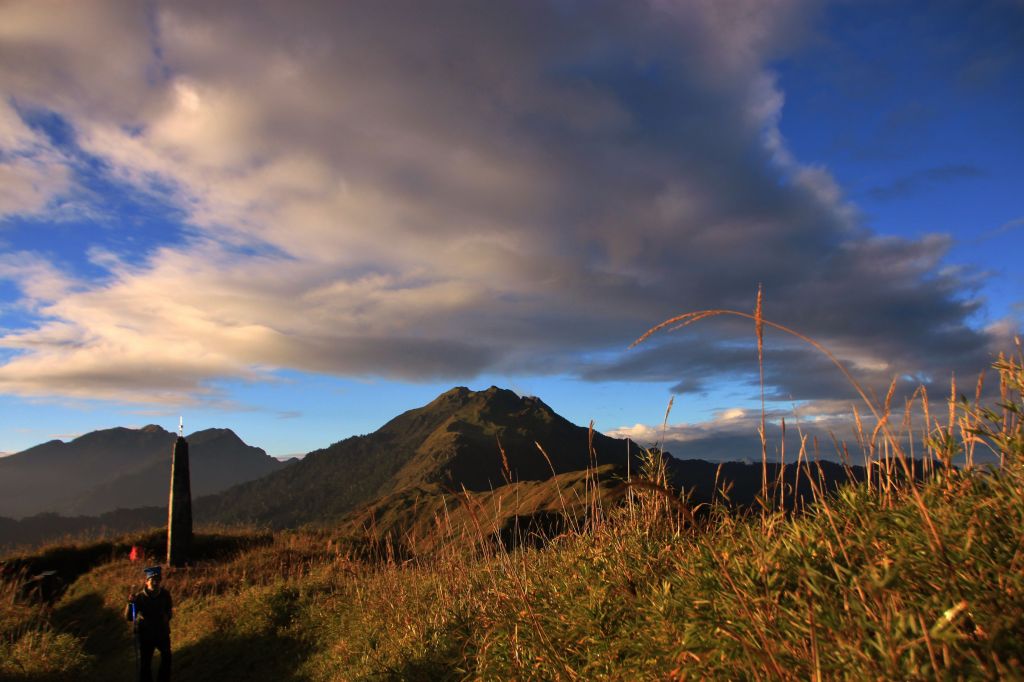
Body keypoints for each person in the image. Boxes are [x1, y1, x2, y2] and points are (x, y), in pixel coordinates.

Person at [125, 565, 173, 682]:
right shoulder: (139, 598)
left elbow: (169, 610)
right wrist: (130, 604)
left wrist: (167, 617)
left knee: (167, 658)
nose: (156, 583)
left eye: (158, 580)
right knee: (145, 664)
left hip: (162, 633)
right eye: (153, 580)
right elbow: (130, 617)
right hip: (146, 635)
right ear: (146, 582)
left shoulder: (165, 595)